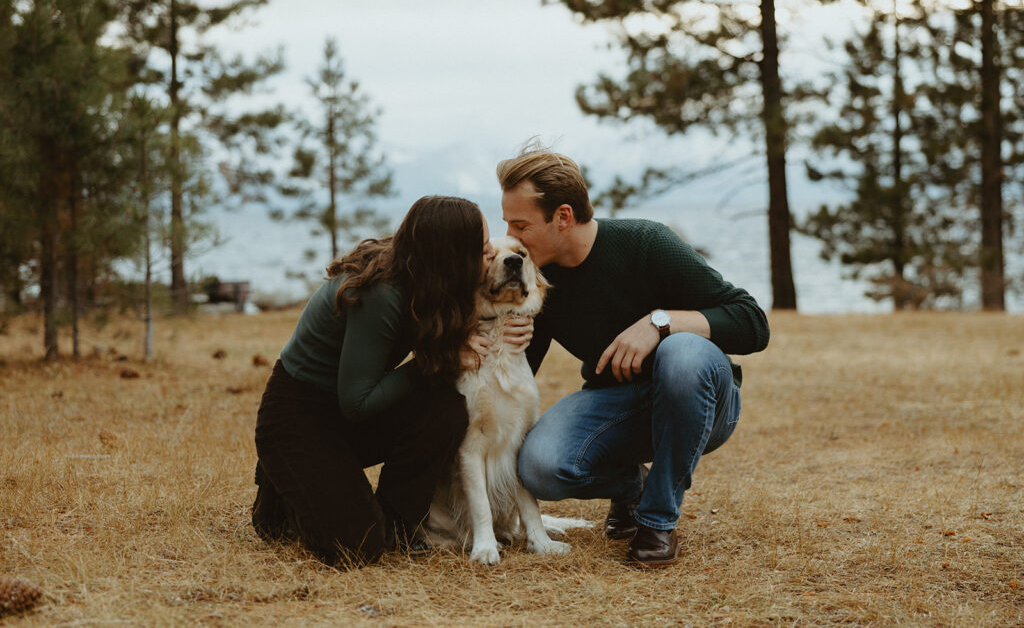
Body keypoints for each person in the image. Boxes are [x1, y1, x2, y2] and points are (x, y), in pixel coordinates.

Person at [498, 145, 770, 567]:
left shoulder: (646, 242)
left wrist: (659, 323)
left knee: (680, 352)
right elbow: (519, 373)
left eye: (521, 225)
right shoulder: (536, 278)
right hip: (620, 407)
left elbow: (753, 322)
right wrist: (497, 336)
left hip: (702, 399)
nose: (513, 240)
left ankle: (657, 520)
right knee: (540, 467)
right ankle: (631, 487)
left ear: (563, 217)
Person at [251, 195, 529, 568]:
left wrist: (518, 324)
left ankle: (399, 523)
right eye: (483, 253)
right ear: (452, 257)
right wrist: (439, 359)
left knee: (447, 409)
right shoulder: (380, 292)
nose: (490, 260)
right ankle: (279, 492)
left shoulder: (430, 277)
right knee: (358, 547)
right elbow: (357, 404)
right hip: (300, 414)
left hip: (352, 405)